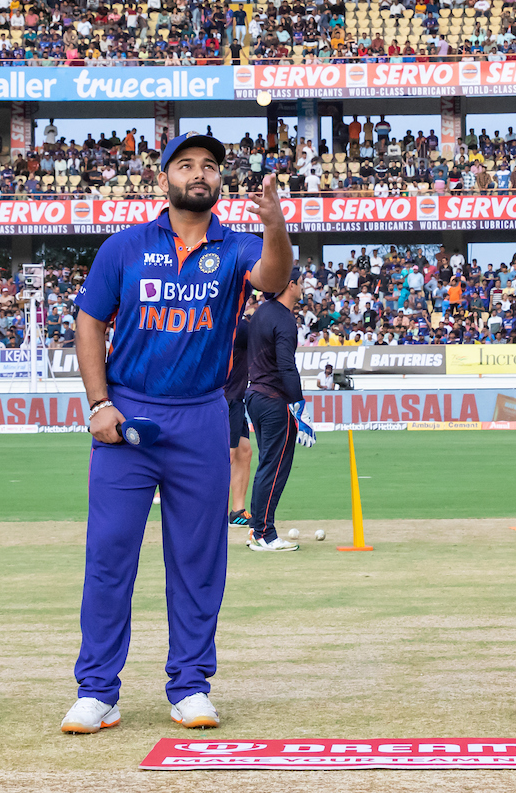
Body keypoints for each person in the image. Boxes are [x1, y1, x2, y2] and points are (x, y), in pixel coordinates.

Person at [62, 132, 293, 735]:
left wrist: (275, 225)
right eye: (186, 165)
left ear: (220, 182)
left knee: (198, 559)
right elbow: (88, 321)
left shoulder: (237, 245)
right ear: (164, 178)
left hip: (200, 415)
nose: (199, 174)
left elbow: (273, 277)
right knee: (109, 556)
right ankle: (97, 691)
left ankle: (190, 685)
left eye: (209, 166)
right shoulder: (126, 247)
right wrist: (98, 403)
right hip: (129, 416)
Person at [244, 266, 314, 552]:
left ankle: (256, 530)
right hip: (274, 401)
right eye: (300, 283)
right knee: (274, 468)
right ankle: (264, 534)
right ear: (291, 285)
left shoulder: (262, 312)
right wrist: (299, 405)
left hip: (256, 396)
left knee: (266, 466)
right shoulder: (284, 319)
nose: (304, 288)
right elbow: (286, 365)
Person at [226, 308, 253, 527]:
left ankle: (237, 511)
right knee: (229, 455)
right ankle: (213, 511)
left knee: (244, 451)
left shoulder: (236, 323)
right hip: (227, 398)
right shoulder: (240, 326)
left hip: (235, 396)